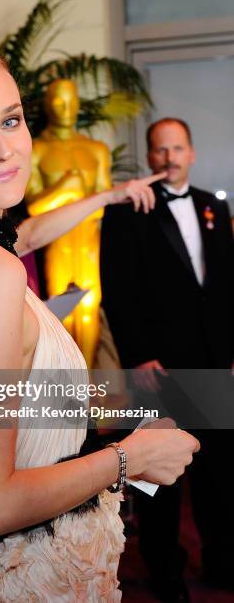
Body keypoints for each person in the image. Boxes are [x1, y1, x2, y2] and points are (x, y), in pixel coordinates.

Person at [0, 42, 199, 602]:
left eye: (10, 119)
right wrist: (132, 457)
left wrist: (109, 195)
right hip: (26, 574)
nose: (5, 151)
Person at [100, 117, 234, 600]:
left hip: (215, 362)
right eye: (160, 150)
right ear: (149, 156)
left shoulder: (213, 207)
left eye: (177, 148)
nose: (169, 157)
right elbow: (117, 292)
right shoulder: (125, 213)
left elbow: (225, 288)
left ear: (192, 153)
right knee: (157, 479)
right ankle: (165, 574)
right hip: (154, 366)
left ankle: (221, 562)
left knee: (220, 474)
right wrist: (138, 356)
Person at [25, 79, 113, 367]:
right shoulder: (36, 150)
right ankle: (67, 385)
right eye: (58, 100)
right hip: (56, 245)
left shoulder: (96, 149)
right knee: (59, 312)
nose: (66, 108)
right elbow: (34, 208)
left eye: (71, 100)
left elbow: (103, 206)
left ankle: (86, 385)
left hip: (89, 244)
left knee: (89, 311)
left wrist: (72, 198)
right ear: (47, 104)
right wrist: (66, 188)